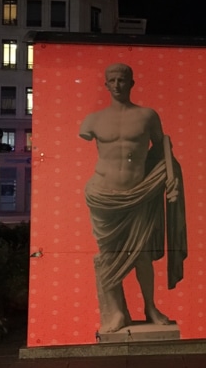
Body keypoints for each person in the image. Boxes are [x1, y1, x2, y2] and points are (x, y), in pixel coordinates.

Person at [79, 63, 187, 334]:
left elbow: (162, 150)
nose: (117, 85)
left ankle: (150, 307)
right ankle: (116, 312)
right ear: (105, 85)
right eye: (112, 80)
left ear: (132, 83)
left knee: (142, 255)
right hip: (103, 194)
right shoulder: (92, 121)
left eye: (122, 80)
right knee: (108, 255)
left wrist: (170, 177)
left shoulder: (148, 116)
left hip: (139, 193)